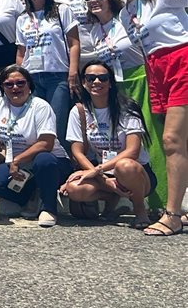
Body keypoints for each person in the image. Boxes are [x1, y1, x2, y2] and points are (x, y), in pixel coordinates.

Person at [105, 0, 188, 237]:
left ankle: (173, 215)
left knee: (172, 141)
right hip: (154, 68)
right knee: (176, 142)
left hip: (180, 59)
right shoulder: (125, 13)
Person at [78, 0, 162, 206]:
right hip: (115, 85)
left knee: (150, 142)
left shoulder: (124, 19)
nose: (93, 2)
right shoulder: (95, 30)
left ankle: (159, 202)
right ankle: (123, 196)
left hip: (139, 79)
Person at [61, 63, 155, 228]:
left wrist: (97, 171)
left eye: (102, 78)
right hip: (103, 172)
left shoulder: (127, 108)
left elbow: (132, 151)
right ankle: (112, 197)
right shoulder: (79, 111)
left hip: (135, 172)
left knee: (124, 166)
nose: (96, 82)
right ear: (84, 83)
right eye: (91, 78)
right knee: (74, 188)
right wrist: (102, 179)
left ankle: (140, 210)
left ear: (110, 83)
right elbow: (77, 151)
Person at [0, 65, 71, 227]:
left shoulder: (40, 106)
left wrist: (17, 160)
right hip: (18, 165)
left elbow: (46, 143)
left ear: (29, 85)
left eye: (20, 83)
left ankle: (49, 208)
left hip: (52, 162)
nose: (15, 88)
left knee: (44, 160)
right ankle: (29, 194)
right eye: (9, 84)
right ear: (2, 87)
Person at [15, 0, 80, 149]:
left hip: (57, 76)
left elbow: (74, 43)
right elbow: (21, 52)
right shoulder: (22, 18)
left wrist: (73, 72)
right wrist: (19, 78)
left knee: (58, 125)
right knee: (36, 126)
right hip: (32, 78)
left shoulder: (62, 10)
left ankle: (64, 166)